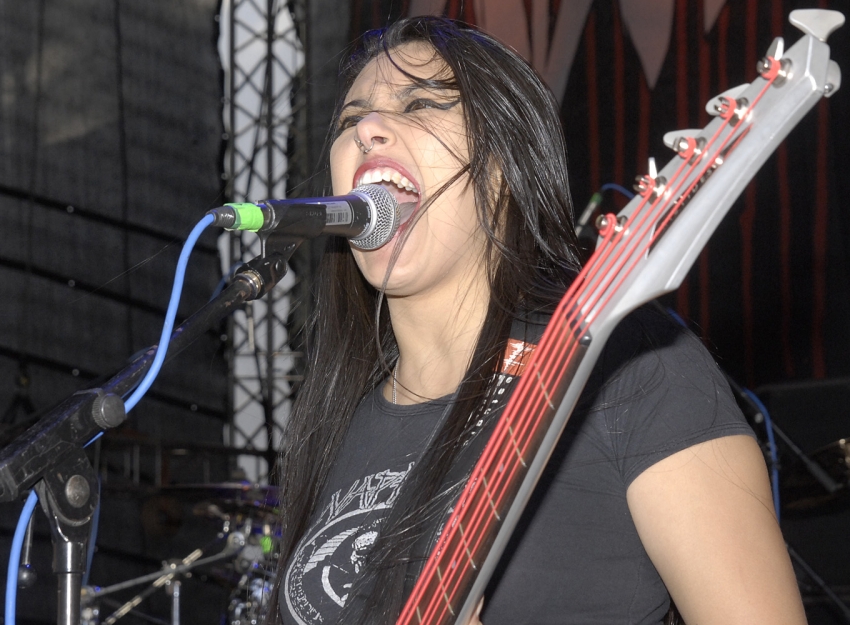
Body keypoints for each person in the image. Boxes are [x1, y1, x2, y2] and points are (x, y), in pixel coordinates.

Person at [271, 17, 806, 625]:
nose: (367, 129)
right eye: (350, 119)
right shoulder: (340, 418)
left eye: (419, 103)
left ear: (505, 168)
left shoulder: (627, 368)